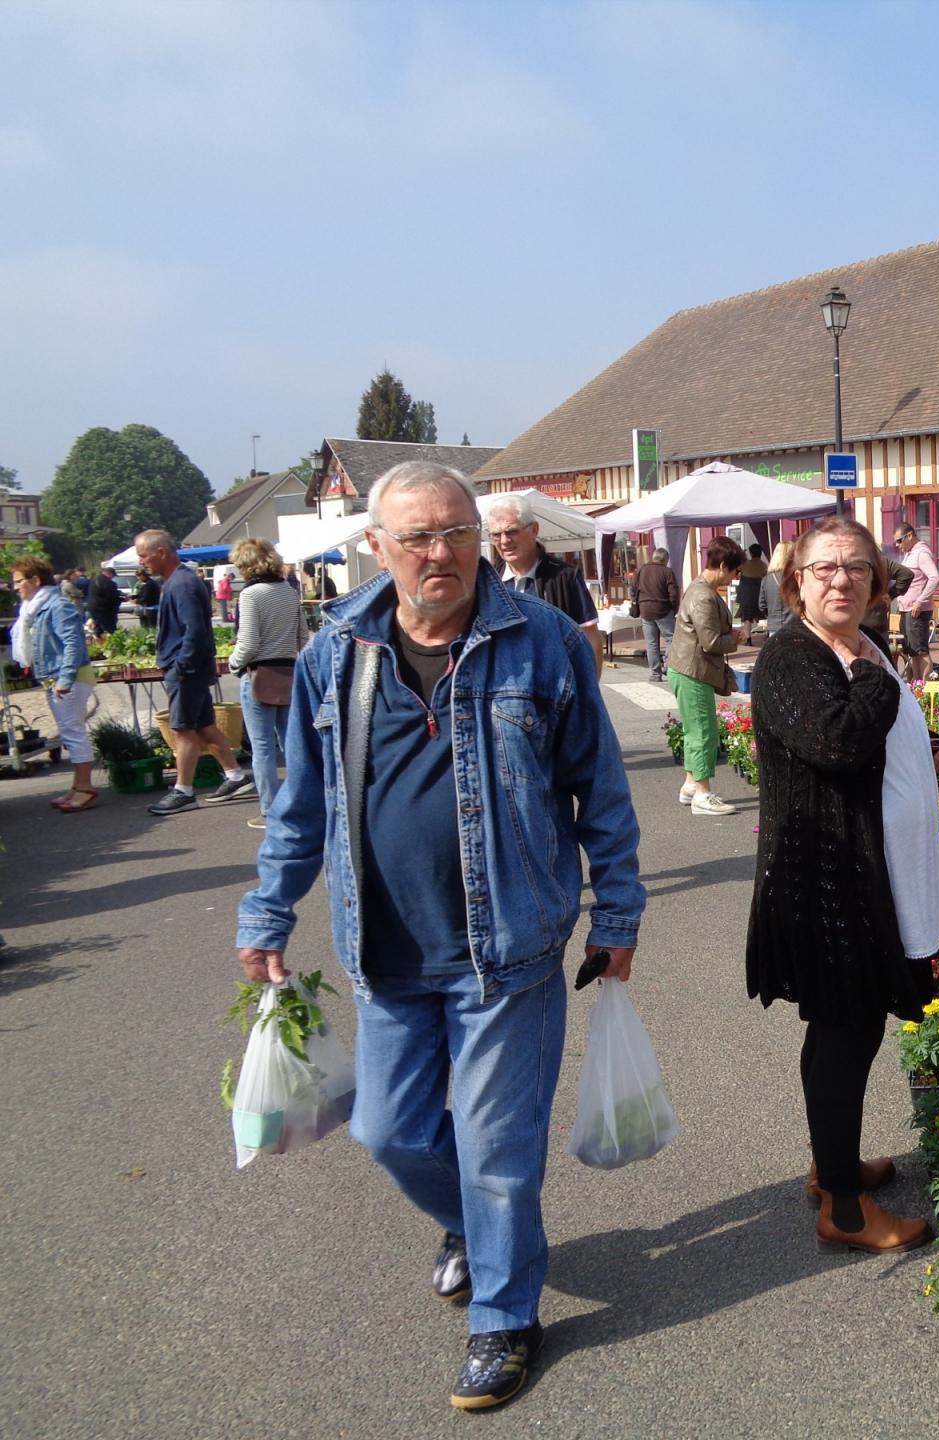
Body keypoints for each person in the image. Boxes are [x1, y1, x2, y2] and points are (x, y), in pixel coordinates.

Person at [234, 461, 645, 1413]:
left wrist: (618, 912)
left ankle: (505, 1317)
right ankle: (476, 1227)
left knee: (499, 1151)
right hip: (385, 952)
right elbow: (300, 806)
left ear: (482, 538)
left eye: (457, 532)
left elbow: (603, 794)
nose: (440, 553)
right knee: (388, 1130)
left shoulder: (541, 643)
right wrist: (267, 910)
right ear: (376, 546)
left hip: (511, 949)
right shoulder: (337, 651)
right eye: (417, 536)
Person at [746, 517, 939, 1254]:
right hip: (829, 884)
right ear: (796, 584)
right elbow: (837, 741)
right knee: (846, 1033)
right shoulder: (793, 657)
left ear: (878, 581)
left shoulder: (860, 646)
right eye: (824, 569)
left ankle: (830, 1166)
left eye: (856, 568)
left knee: (845, 1031)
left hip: (870, 873)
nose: (841, 580)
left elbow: (867, 739)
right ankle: (843, 1211)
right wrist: (877, 680)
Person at [133, 529, 251, 816]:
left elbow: (195, 630)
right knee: (201, 725)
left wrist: (182, 665)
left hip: (187, 669)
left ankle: (183, 791)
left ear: (162, 552)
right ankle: (235, 775)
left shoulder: (182, 584)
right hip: (190, 667)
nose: (141, 562)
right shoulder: (180, 581)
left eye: (144, 555)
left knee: (182, 728)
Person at [9, 556, 98, 812]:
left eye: (18, 582)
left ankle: (86, 789)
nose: (15, 587)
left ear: (35, 580)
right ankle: (77, 785)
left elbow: (73, 643)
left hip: (68, 677)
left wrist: (65, 678)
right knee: (70, 731)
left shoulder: (58, 606)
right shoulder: (36, 608)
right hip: (55, 676)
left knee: (73, 732)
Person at [666, 536, 747, 816]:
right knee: (703, 732)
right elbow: (711, 642)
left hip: (688, 669)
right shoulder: (703, 595)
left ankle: (691, 785)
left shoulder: (701, 589)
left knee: (698, 730)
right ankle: (703, 794)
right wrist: (736, 638)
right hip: (693, 671)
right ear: (723, 565)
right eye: (735, 571)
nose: (736, 578)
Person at [226, 538, 303, 832]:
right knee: (291, 743)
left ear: (246, 565)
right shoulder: (288, 591)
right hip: (288, 670)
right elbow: (302, 634)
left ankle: (270, 810)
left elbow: (248, 642)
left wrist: (234, 664)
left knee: (262, 748)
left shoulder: (250, 595)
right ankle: (299, 802)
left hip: (258, 673)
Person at [484, 493, 601, 674]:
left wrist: (590, 690)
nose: (504, 541)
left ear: (534, 530)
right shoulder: (489, 583)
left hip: (554, 691)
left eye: (512, 531)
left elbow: (589, 636)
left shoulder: (564, 577)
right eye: (496, 535)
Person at [892, 523, 939, 684]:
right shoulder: (909, 554)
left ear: (910, 536)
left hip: (917, 610)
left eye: (899, 541)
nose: (897, 545)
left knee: (920, 650)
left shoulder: (921, 553)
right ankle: (916, 685)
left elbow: (934, 578)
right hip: (906, 609)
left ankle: (925, 688)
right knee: (912, 651)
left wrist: (919, 602)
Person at [628, 546, 680, 682]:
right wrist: (674, 609)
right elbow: (674, 593)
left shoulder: (642, 570)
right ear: (665, 560)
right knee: (671, 639)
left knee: (651, 643)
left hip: (645, 610)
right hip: (663, 609)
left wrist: (636, 602)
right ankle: (668, 666)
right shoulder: (667, 572)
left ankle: (655, 674)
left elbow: (633, 589)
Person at [762, 539, 796, 638]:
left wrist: (771, 615)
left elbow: (762, 605)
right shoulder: (795, 577)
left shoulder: (767, 579)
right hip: (793, 624)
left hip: (774, 626)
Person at [735, 543, 769, 642]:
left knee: (747, 618)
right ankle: (767, 634)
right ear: (760, 553)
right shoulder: (763, 566)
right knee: (764, 615)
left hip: (747, 596)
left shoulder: (746, 565)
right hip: (759, 595)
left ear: (750, 553)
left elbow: (738, 572)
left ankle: (748, 638)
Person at [87, 564, 123, 639]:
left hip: (92, 607)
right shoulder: (110, 584)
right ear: (110, 573)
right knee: (109, 628)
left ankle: (98, 640)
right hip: (105, 609)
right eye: (113, 575)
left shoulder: (94, 580)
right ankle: (111, 642)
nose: (113, 578)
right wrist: (122, 599)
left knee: (97, 625)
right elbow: (112, 599)